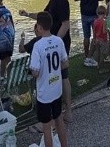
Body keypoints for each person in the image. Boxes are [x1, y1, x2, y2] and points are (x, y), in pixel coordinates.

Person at [19, 0, 71, 121]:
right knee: (53, 76)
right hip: (52, 44)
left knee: (63, 76)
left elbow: (66, 24)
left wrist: (55, 42)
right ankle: (56, 110)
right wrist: (28, 14)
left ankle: (68, 110)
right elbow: (43, 16)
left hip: (59, 44)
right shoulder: (52, 1)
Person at [30, 11, 69, 147]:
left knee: (47, 128)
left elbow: (35, 72)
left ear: (39, 27)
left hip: (44, 94)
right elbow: (65, 63)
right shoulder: (58, 41)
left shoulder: (38, 45)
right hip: (56, 90)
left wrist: (34, 71)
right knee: (59, 121)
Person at [73, 0, 103, 65]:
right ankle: (94, 55)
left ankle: (86, 55)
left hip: (84, 13)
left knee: (86, 36)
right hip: (94, 13)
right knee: (96, 36)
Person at [0, 0, 15, 78]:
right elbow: (12, 25)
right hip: (10, 37)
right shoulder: (8, 11)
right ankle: (9, 76)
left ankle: (3, 77)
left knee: (3, 58)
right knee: (7, 57)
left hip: (3, 38)